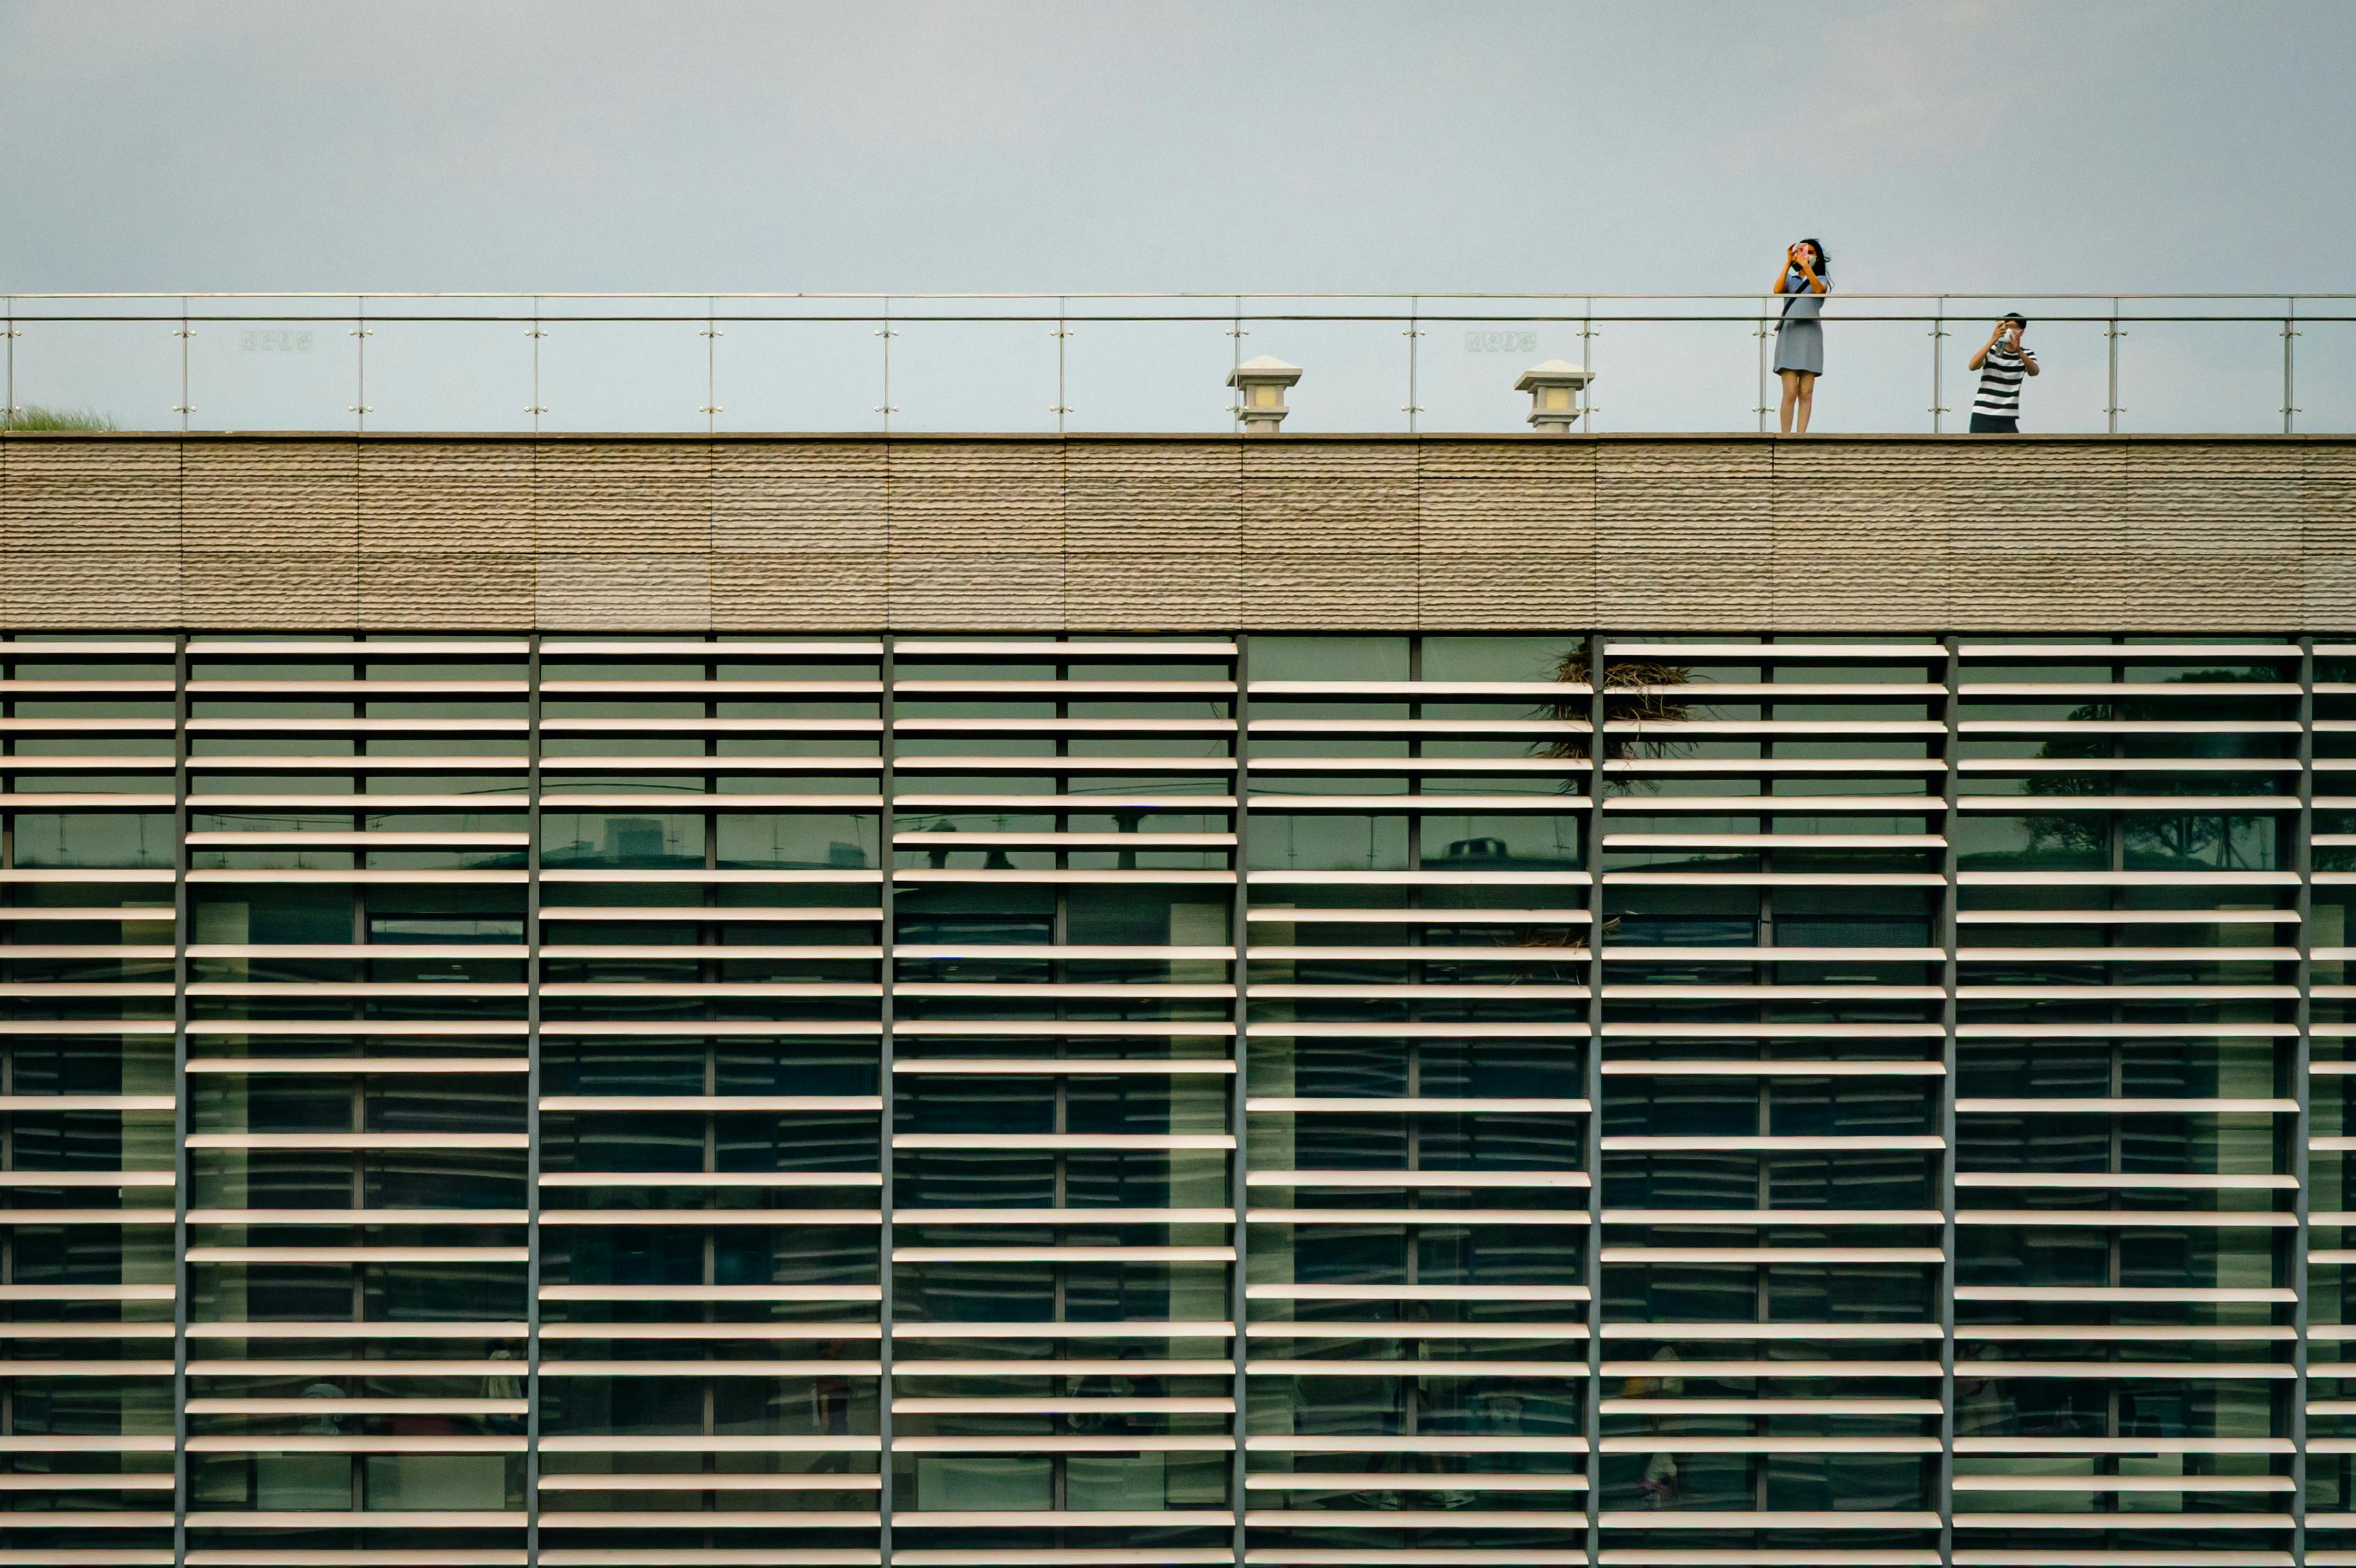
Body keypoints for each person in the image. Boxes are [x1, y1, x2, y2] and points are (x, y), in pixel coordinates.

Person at [1769, 238, 1830, 433]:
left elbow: (1820, 291)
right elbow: (1777, 290)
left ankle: (1801, 434)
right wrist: (1789, 263)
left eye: (1811, 252)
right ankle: (1786, 434)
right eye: (1803, 251)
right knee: (1789, 392)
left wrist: (1807, 267)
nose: (1806, 255)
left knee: (1806, 392)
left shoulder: (1819, 279)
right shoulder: (1791, 280)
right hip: (1790, 334)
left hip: (1810, 335)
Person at [1967, 313, 2039, 432]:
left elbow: (2034, 371)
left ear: (2021, 331)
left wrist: (2018, 351)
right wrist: (1993, 339)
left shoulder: (2027, 354)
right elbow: (1973, 366)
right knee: (1979, 450)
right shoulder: (1992, 350)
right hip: (1983, 412)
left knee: (2013, 450)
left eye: (2013, 326)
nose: (2009, 329)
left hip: (2008, 416)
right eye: (2006, 326)